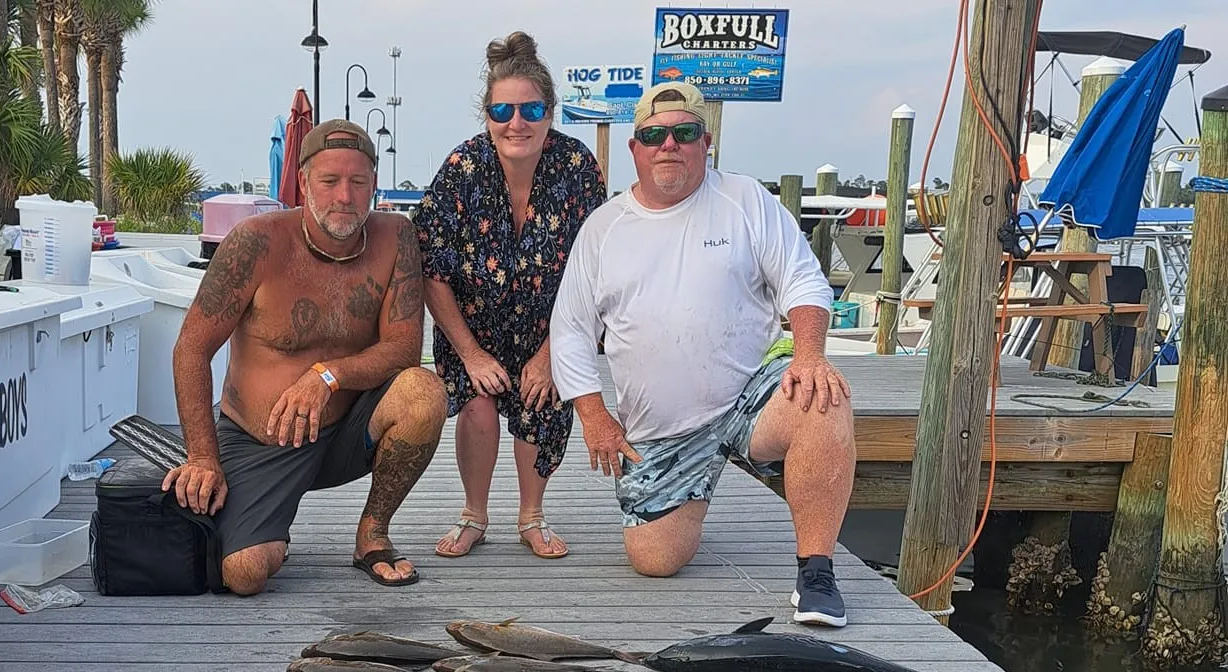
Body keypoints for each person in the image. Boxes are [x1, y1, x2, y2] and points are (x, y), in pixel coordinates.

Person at [550, 82, 856, 627]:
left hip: (747, 396)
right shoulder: (603, 228)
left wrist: (809, 355)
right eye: (653, 135)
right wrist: (594, 416)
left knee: (823, 399)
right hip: (662, 427)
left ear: (705, 142)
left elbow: (804, 280)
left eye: (683, 132)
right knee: (655, 560)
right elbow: (571, 329)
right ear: (635, 148)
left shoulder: (745, 199)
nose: (669, 144)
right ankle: (694, 489)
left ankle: (817, 572)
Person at [163, 120, 446, 595]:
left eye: (358, 182)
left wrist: (328, 376)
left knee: (424, 392)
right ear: (303, 182)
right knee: (245, 573)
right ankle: (271, 526)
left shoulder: (396, 236)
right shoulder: (255, 241)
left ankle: (372, 536)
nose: (345, 196)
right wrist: (203, 456)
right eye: (329, 181)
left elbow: (402, 348)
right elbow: (192, 348)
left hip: (348, 431)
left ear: (374, 185)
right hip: (263, 439)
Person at [414, 31, 604, 560]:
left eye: (530, 109)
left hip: (552, 324)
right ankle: (474, 515)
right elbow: (432, 269)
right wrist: (471, 355)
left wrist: (550, 354)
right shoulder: (461, 168)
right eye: (502, 110)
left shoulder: (577, 168)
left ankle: (532, 516)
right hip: (471, 326)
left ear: (549, 111)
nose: (516, 122)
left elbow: (594, 271)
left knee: (540, 401)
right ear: (487, 115)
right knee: (477, 406)